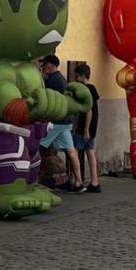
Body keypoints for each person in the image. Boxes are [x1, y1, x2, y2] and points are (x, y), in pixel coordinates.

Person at [40, 54, 85, 193]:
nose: (42, 68)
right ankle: (78, 182)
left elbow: (45, 99)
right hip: (66, 122)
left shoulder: (52, 81)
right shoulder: (62, 79)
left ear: (50, 66)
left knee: (35, 146)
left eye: (44, 65)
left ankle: (30, 180)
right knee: (71, 152)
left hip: (55, 122)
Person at [73, 64, 101, 193]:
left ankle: (78, 181)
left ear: (83, 76)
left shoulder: (85, 90)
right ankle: (94, 181)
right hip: (92, 126)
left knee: (74, 152)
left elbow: (88, 110)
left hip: (86, 126)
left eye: (77, 76)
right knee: (90, 152)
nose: (76, 78)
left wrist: (85, 130)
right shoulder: (93, 88)